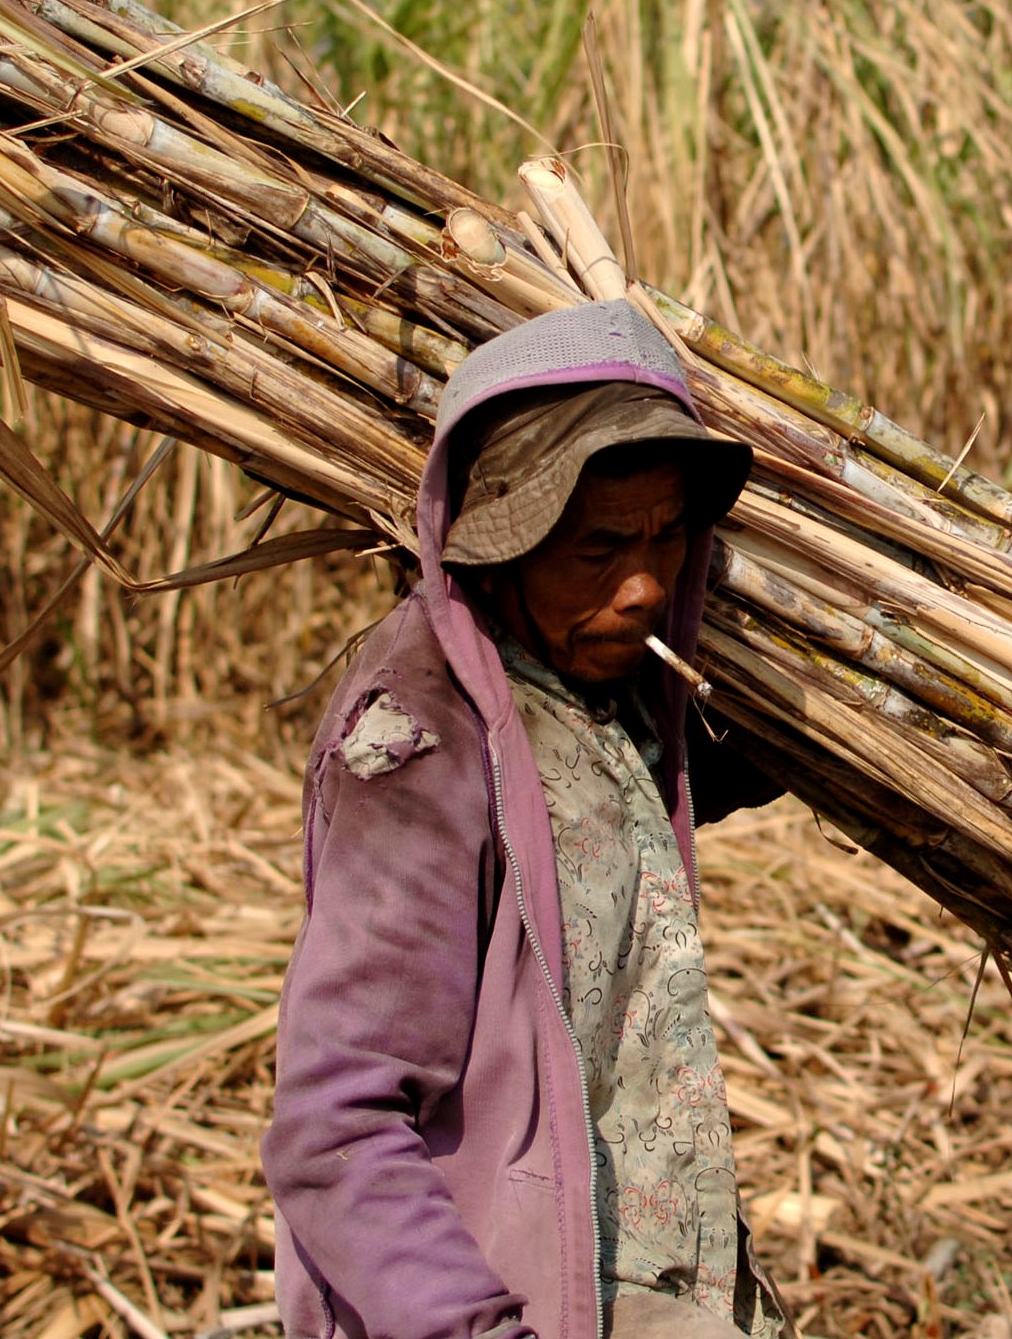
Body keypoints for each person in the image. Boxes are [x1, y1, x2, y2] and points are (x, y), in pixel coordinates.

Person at [265, 299, 790, 1339]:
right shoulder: (419, 748)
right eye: (599, 546)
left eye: (668, 537)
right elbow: (338, 1124)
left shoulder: (605, 687)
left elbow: (655, 797)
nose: (643, 586)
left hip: (653, 1274)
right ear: (505, 542)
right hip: (516, 1300)